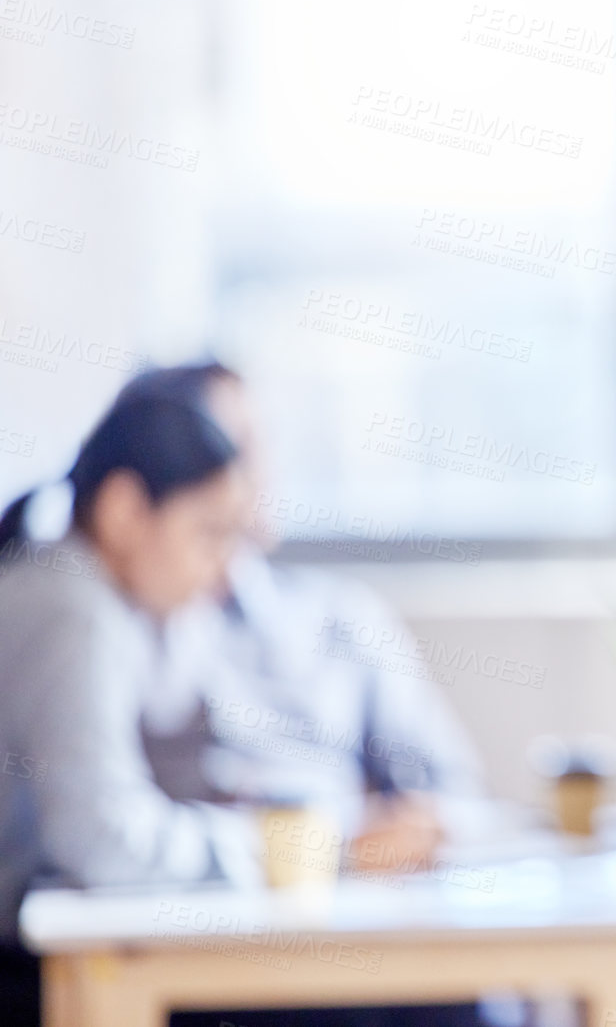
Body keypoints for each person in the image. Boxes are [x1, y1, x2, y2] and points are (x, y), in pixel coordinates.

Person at [114, 363, 490, 874]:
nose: (248, 472)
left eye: (254, 445)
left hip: (345, 909)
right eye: (223, 449)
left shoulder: (341, 616)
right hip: (182, 910)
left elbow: (456, 797)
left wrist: (403, 833)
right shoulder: (113, 630)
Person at [0, 388, 254, 1026]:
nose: (224, 572)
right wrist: (259, 850)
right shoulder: (74, 612)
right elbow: (99, 834)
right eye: (208, 533)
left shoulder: (59, 588)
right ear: (123, 511)